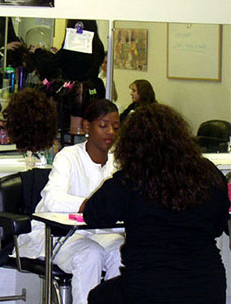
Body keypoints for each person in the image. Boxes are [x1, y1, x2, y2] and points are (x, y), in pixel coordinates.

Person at [84, 103, 230, 304]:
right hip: (207, 285)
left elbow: (94, 215)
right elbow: (218, 224)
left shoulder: (130, 178)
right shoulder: (207, 173)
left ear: (131, 144)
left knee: (98, 297)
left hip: (149, 286)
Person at [16, 99, 124, 304]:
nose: (110, 131)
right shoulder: (68, 157)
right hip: (56, 235)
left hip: (97, 234)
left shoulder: (117, 162)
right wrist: (87, 206)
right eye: (103, 125)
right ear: (86, 127)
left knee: (122, 252)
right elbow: (53, 199)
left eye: (116, 127)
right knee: (89, 254)